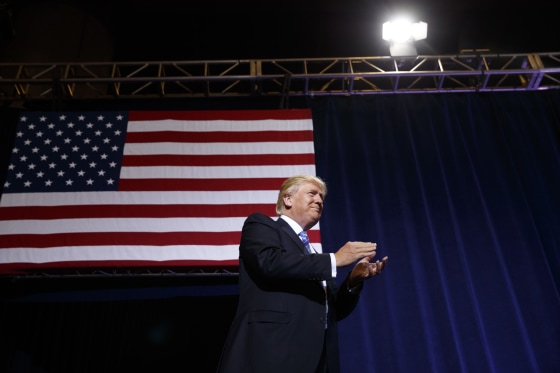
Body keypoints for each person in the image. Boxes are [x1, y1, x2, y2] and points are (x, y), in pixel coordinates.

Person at [217, 175, 388, 373]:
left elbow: (332, 312)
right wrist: (334, 259)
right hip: (273, 352)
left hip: (317, 359)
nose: (320, 200)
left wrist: (353, 281)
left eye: (322, 197)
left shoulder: (313, 253)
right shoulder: (262, 225)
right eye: (312, 193)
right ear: (288, 199)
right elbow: (269, 262)